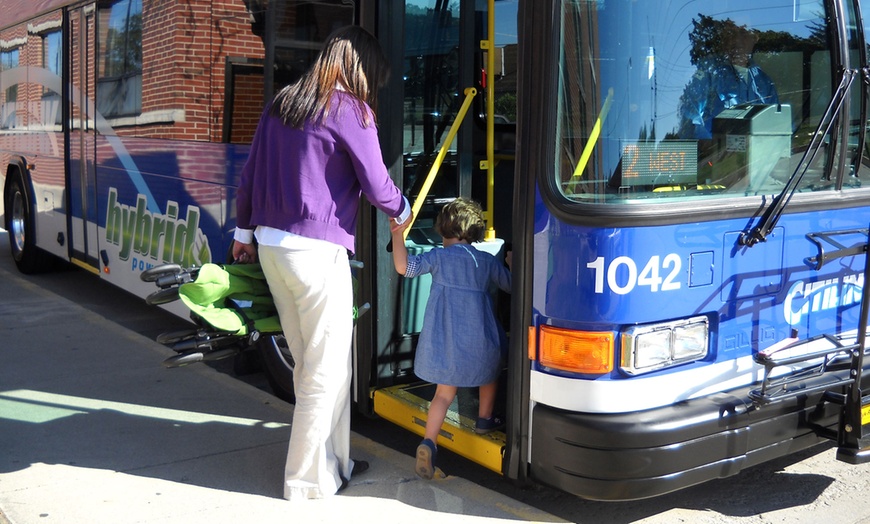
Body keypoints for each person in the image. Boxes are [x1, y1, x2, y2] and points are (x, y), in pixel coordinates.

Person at [232, 25, 411, 500]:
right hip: (317, 252)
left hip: (272, 248)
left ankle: (337, 463)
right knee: (326, 369)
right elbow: (376, 184)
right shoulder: (351, 109)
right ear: (363, 70)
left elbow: (249, 175)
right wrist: (403, 209)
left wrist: (243, 234)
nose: (373, 89)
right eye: (373, 79)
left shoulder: (284, 102)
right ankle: (305, 481)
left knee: (314, 363)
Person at [389, 198, 511, 479]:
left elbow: (403, 267)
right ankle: (484, 419)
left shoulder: (438, 257)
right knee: (490, 374)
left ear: (444, 231)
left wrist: (397, 235)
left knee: (443, 394)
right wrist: (513, 264)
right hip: (480, 339)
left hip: (446, 340)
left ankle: (429, 441)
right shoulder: (485, 261)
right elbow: (511, 286)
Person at [679, 23, 778, 140]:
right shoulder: (711, 74)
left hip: (760, 149)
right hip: (718, 150)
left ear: (752, 43)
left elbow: (777, 119)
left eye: (744, 39)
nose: (738, 45)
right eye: (733, 40)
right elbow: (691, 113)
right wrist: (708, 144)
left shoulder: (763, 80)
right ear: (726, 45)